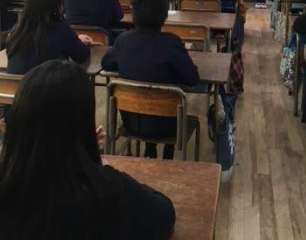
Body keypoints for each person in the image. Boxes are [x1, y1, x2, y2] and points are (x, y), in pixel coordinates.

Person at [0, 60, 175, 239]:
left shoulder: (10, 187)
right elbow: (163, 212)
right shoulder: (107, 190)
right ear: (84, 121)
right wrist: (93, 159)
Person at [102, 0, 199, 159]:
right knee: (167, 99)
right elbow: (192, 79)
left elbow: (106, 64)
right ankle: (167, 157)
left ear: (134, 15)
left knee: (146, 95)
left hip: (131, 122)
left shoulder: (123, 40)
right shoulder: (172, 43)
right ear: (164, 16)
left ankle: (150, 150)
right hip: (169, 127)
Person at [6, 0, 91, 75]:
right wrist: (77, 41)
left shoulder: (17, 30)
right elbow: (82, 56)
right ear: (57, 7)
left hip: (14, 83)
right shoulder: (60, 29)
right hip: (48, 83)